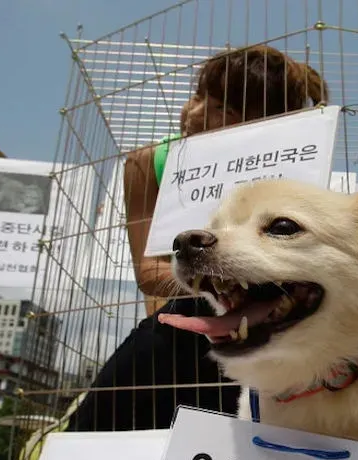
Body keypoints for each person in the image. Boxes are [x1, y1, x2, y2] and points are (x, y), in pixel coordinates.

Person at [66, 45, 329, 432]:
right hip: (188, 327)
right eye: (198, 95)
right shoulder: (146, 163)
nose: (195, 113)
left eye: (223, 109)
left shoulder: (294, 165)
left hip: (269, 328)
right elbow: (150, 272)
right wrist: (221, 276)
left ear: (267, 126)